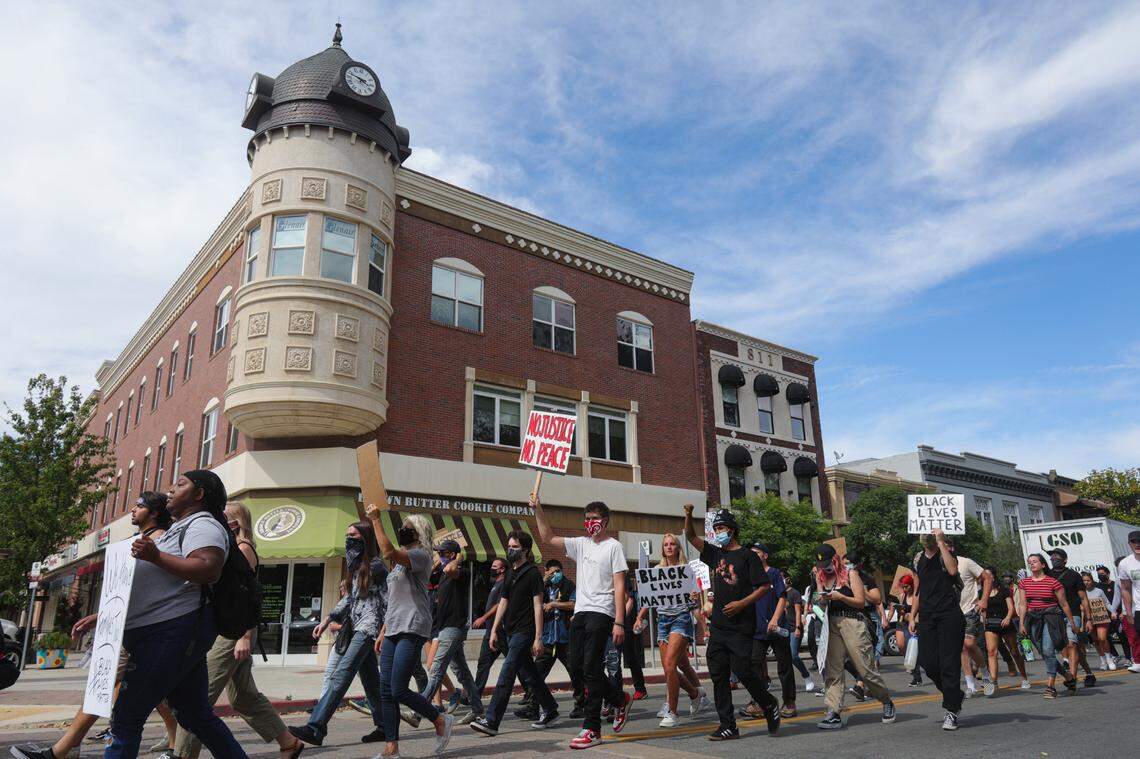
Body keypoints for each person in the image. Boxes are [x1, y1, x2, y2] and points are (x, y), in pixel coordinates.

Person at [64, 472, 248, 759]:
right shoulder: (180, 527)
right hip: (168, 633)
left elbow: (208, 568)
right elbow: (157, 585)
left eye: (180, 485)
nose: (170, 490)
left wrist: (155, 556)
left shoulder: (203, 526)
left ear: (199, 494)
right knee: (195, 715)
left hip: (172, 633)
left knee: (126, 716)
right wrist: (104, 615)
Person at [11, 493, 180, 759]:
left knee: (114, 687)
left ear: (155, 512)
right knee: (122, 688)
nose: (133, 509)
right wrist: (101, 616)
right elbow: (125, 591)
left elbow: (150, 591)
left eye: (140, 505)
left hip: (145, 630)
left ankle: (63, 750)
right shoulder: (132, 543)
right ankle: (174, 742)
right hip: (124, 629)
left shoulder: (160, 542)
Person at [170, 503, 302, 759]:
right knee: (244, 697)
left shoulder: (244, 549)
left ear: (236, 522)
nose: (218, 520)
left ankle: (182, 755)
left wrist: (244, 636)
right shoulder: (230, 548)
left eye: (223, 517)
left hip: (232, 634)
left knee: (199, 697)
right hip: (225, 628)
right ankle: (289, 742)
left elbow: (246, 596)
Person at [533, 496, 631, 750]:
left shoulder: (614, 547)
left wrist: (619, 621)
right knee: (577, 667)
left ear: (605, 521)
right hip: (581, 612)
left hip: (603, 612)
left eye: (595, 519)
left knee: (590, 667)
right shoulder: (580, 544)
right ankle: (619, 699)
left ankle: (592, 728)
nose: (590, 523)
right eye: (587, 519)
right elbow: (547, 537)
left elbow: (620, 585)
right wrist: (538, 509)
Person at [682, 504, 780, 741]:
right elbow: (691, 536)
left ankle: (768, 703)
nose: (718, 532)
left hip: (741, 627)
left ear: (732, 530)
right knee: (718, 675)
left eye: (721, 527)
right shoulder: (715, 554)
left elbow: (765, 587)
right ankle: (728, 725)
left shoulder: (747, 556)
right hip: (719, 627)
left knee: (743, 671)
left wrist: (741, 604)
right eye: (715, 528)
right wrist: (688, 515)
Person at [289, 520, 389, 748]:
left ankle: (316, 728)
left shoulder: (377, 567)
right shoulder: (356, 568)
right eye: (347, 535)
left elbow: (388, 601)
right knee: (371, 681)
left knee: (340, 674)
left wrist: (384, 631)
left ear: (365, 539)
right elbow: (351, 599)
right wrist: (326, 620)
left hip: (368, 628)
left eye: (353, 536)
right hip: (355, 627)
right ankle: (384, 726)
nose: (348, 539)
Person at [365, 506, 454, 759]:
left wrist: (375, 520)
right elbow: (395, 599)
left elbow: (387, 551)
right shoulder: (400, 564)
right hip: (393, 627)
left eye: (408, 528)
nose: (403, 531)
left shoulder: (421, 556)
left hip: (413, 625)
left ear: (419, 533)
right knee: (385, 690)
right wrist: (383, 631)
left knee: (398, 689)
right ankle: (391, 748)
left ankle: (439, 718)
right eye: (402, 527)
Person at [470, 531, 560, 736]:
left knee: (507, 673)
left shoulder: (533, 573)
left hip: (525, 631)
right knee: (531, 674)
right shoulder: (510, 572)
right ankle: (551, 708)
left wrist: (538, 638)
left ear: (525, 550)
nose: (510, 549)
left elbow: (538, 606)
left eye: (514, 547)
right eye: (509, 546)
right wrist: (493, 629)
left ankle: (492, 721)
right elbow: (503, 602)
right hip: (508, 631)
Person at [812, 543, 895, 730]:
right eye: (821, 564)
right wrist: (821, 594)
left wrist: (840, 597)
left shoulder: (850, 574)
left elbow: (859, 602)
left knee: (865, 669)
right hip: (831, 624)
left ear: (835, 559)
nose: (824, 567)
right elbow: (820, 602)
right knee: (833, 670)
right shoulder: (822, 576)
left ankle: (886, 700)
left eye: (827, 563)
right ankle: (833, 711)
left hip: (853, 622)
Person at [634, 533, 708, 727]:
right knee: (673, 668)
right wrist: (639, 617)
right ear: (663, 549)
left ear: (678, 547)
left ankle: (673, 712)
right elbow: (649, 598)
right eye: (666, 544)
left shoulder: (687, 570)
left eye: (672, 544)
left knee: (668, 665)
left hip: (681, 620)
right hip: (663, 622)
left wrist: (703, 626)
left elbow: (695, 603)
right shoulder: (657, 570)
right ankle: (695, 693)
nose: (669, 547)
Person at [418, 539, 485, 725]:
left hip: (453, 628)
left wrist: (457, 558)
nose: (440, 557)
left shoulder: (462, 572)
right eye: (438, 553)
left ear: (454, 555)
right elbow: (427, 575)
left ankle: (419, 712)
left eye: (443, 553)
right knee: (461, 671)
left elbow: (450, 569)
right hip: (443, 628)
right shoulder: (442, 575)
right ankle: (478, 709)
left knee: (436, 669)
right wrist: (439, 560)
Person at [911, 528, 965, 730]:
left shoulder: (947, 555)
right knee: (929, 663)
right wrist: (912, 614)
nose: (927, 536)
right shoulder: (917, 558)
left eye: (930, 533)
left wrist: (942, 543)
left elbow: (952, 571)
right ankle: (955, 695)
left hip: (949, 615)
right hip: (927, 617)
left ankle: (951, 710)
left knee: (949, 664)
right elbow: (918, 589)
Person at [739, 543, 798, 719]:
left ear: (765, 555)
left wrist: (774, 619)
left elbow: (782, 598)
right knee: (754, 666)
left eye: (756, 553)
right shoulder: (748, 576)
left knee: (784, 666)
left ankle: (789, 702)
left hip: (776, 628)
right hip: (757, 630)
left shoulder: (773, 574)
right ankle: (759, 703)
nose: (753, 556)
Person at [1016, 553, 1079, 698]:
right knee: (1045, 653)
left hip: (1051, 618)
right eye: (1029, 562)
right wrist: (1021, 624)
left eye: (1035, 561)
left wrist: (1072, 623)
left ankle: (1050, 686)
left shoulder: (1053, 582)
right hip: (1033, 620)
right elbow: (1023, 604)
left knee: (1048, 650)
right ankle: (1068, 676)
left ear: (1043, 564)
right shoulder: (1024, 583)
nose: (1032, 564)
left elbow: (1064, 604)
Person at [529, 559, 584, 719]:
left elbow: (574, 604)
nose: (556, 575)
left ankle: (581, 705)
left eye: (558, 571)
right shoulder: (542, 587)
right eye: (552, 572)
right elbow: (534, 605)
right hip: (547, 638)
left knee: (575, 672)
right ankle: (533, 706)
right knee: (536, 673)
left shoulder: (569, 585)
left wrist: (554, 604)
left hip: (565, 638)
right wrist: (542, 582)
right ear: (545, 571)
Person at [1047, 548, 1095, 689]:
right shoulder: (1047, 575)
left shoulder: (1074, 576)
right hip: (1054, 615)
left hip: (1073, 614)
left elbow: (1083, 598)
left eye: (1057, 556)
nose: (1054, 558)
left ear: (1065, 560)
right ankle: (1089, 673)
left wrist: (1089, 619)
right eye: (1052, 557)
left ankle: (1072, 679)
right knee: (1069, 649)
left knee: (1071, 645)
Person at [841, 549, 884, 702]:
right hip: (849, 617)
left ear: (857, 565)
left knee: (866, 655)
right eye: (843, 564)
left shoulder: (867, 578)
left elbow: (877, 599)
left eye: (848, 564)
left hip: (867, 617)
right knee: (846, 658)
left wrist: (861, 589)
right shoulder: (840, 578)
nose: (845, 567)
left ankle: (860, 686)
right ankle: (870, 683)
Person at [950, 543, 991, 698]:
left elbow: (987, 577)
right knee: (961, 648)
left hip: (969, 610)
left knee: (969, 643)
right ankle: (970, 685)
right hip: (951, 613)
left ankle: (985, 673)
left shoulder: (966, 562)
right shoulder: (937, 566)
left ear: (951, 548)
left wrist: (984, 600)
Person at [980, 565, 1029, 692]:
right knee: (991, 652)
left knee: (1014, 652)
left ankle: (1024, 678)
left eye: (988, 575)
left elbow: (1011, 607)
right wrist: (983, 621)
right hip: (991, 625)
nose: (986, 577)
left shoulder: (1003, 590)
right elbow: (982, 609)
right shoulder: (981, 592)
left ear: (994, 576)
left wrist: (1008, 618)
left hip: (1005, 623)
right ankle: (994, 682)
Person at [471, 559, 509, 699]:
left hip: (500, 632)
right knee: (483, 664)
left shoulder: (504, 584)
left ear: (502, 569)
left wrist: (483, 618)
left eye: (495, 566)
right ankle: (475, 695)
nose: (492, 568)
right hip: (490, 632)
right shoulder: (495, 584)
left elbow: (499, 605)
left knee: (517, 665)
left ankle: (531, 694)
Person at [780, 569, 815, 692]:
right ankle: (789, 684)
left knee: (793, 655)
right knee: (785, 658)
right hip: (783, 629)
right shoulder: (780, 593)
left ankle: (807, 676)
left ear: (787, 579)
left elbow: (798, 611)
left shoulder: (794, 593)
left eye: (781, 578)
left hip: (794, 628)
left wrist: (797, 627)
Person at [889, 574, 922, 687]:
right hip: (902, 623)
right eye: (903, 586)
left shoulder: (917, 596)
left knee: (915, 650)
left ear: (912, 585)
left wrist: (912, 617)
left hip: (914, 624)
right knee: (903, 646)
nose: (904, 589)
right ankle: (913, 671)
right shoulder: (903, 595)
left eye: (906, 586)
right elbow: (894, 607)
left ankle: (917, 675)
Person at [1116, 532, 1140, 672]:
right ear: (1129, 544)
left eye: (1139, 541)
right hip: (1138, 607)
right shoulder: (1125, 563)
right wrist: (1128, 611)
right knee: (1137, 635)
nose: (1137, 544)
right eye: (1134, 541)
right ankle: (1138, 661)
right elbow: (1125, 588)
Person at [1081, 571, 1115, 671]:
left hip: (1101, 618)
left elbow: (1107, 603)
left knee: (1102, 638)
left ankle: (1109, 659)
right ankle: (1103, 660)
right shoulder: (1081, 593)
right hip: (1089, 620)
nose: (1086, 582)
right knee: (1095, 640)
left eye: (1088, 580)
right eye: (1084, 580)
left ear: (1092, 580)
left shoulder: (1099, 591)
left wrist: (1113, 611)